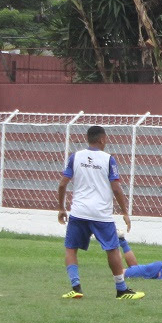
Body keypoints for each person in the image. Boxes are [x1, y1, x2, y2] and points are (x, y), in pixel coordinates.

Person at [57, 125, 143, 300]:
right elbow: (116, 188)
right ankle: (121, 289)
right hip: (101, 214)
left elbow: (62, 184)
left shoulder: (75, 157)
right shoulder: (108, 159)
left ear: (88, 139)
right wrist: (124, 212)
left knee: (71, 248)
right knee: (112, 249)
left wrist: (61, 208)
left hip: (79, 211)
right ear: (102, 139)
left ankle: (76, 287)